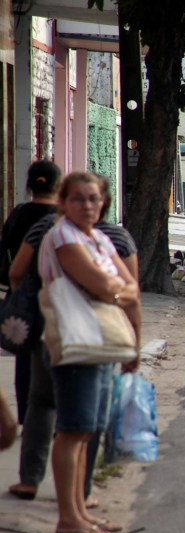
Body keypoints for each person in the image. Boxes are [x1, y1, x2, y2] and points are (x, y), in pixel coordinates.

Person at [6, 179, 139, 507]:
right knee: (74, 425)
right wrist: (111, 290)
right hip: (71, 335)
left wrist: (115, 292)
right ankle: (73, 506)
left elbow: (129, 288)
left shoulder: (100, 238)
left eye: (94, 199)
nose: (87, 205)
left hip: (97, 338)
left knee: (79, 422)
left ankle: (65, 496)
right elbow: (116, 288)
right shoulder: (63, 234)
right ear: (62, 201)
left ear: (104, 202)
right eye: (78, 199)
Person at [0, 160, 61, 425]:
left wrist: (17, 296)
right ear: (59, 185)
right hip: (57, 296)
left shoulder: (18, 214)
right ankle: (58, 415)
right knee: (57, 355)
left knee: (25, 354)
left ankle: (26, 415)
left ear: (30, 185)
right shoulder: (62, 219)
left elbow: (9, 259)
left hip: (24, 294)